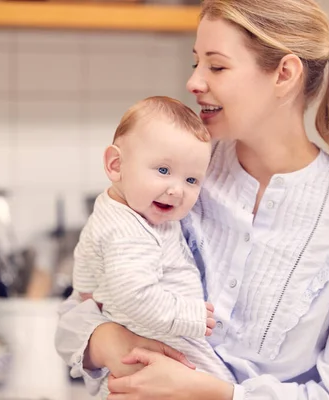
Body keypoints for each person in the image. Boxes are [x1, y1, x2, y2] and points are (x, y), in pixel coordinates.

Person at [55, 0, 329, 398]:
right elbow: (77, 311)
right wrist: (108, 342)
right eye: (196, 63)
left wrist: (215, 393)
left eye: (217, 66)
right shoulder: (172, 181)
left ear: (284, 74)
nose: (193, 82)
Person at [71, 96, 236, 400]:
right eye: (162, 170)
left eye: (191, 179)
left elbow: (84, 278)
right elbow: (136, 296)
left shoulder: (119, 211)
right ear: (116, 164)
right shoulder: (126, 230)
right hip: (155, 364)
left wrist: (94, 298)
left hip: (151, 365)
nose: (176, 189)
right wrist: (189, 315)